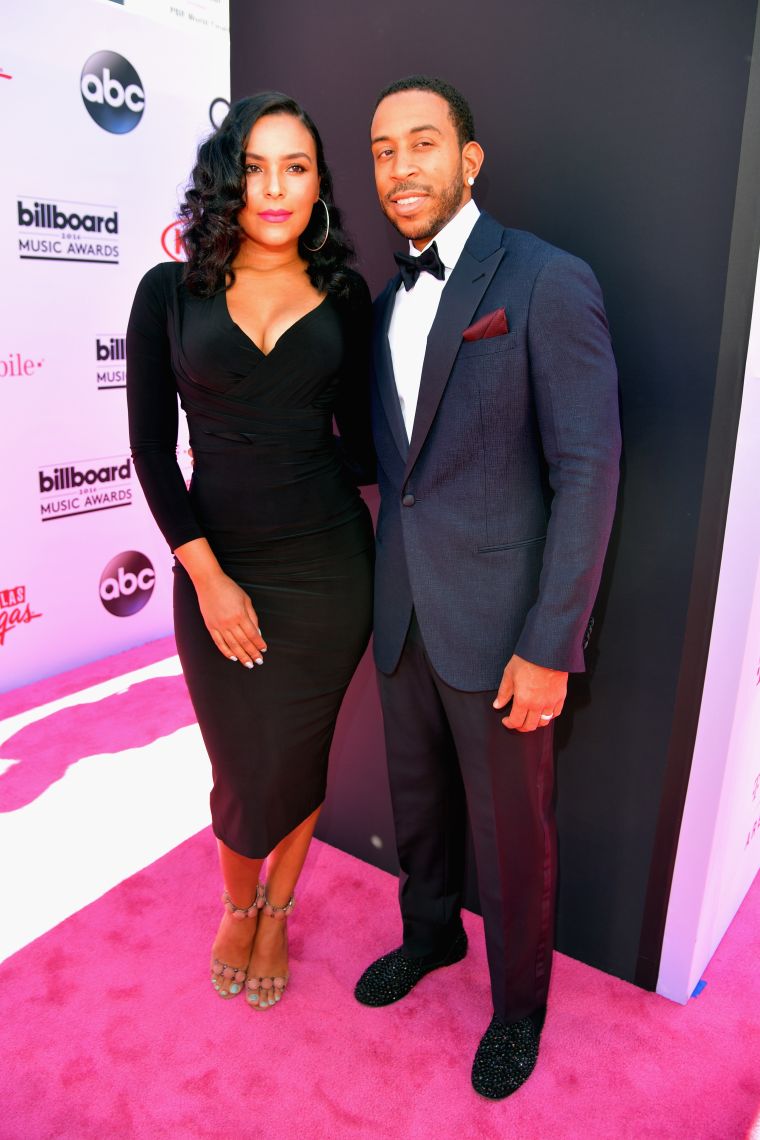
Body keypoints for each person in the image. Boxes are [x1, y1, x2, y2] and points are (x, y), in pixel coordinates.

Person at [355, 76, 621, 1098]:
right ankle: (430, 936)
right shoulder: (386, 303)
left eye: (421, 143)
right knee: (419, 807)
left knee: (512, 837)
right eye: (382, 150)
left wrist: (551, 643)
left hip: (505, 624)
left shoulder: (546, 279)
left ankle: (518, 1009)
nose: (399, 167)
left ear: (469, 160)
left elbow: (588, 470)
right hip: (402, 610)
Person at [127, 93, 374, 1011]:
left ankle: (280, 909)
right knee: (239, 767)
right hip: (215, 567)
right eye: (256, 167)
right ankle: (239, 901)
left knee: (302, 754)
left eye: (295, 168)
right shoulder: (168, 292)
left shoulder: (346, 296)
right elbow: (153, 452)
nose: (275, 188)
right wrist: (209, 579)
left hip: (330, 570)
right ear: (228, 181)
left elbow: (367, 445)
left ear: (317, 185)